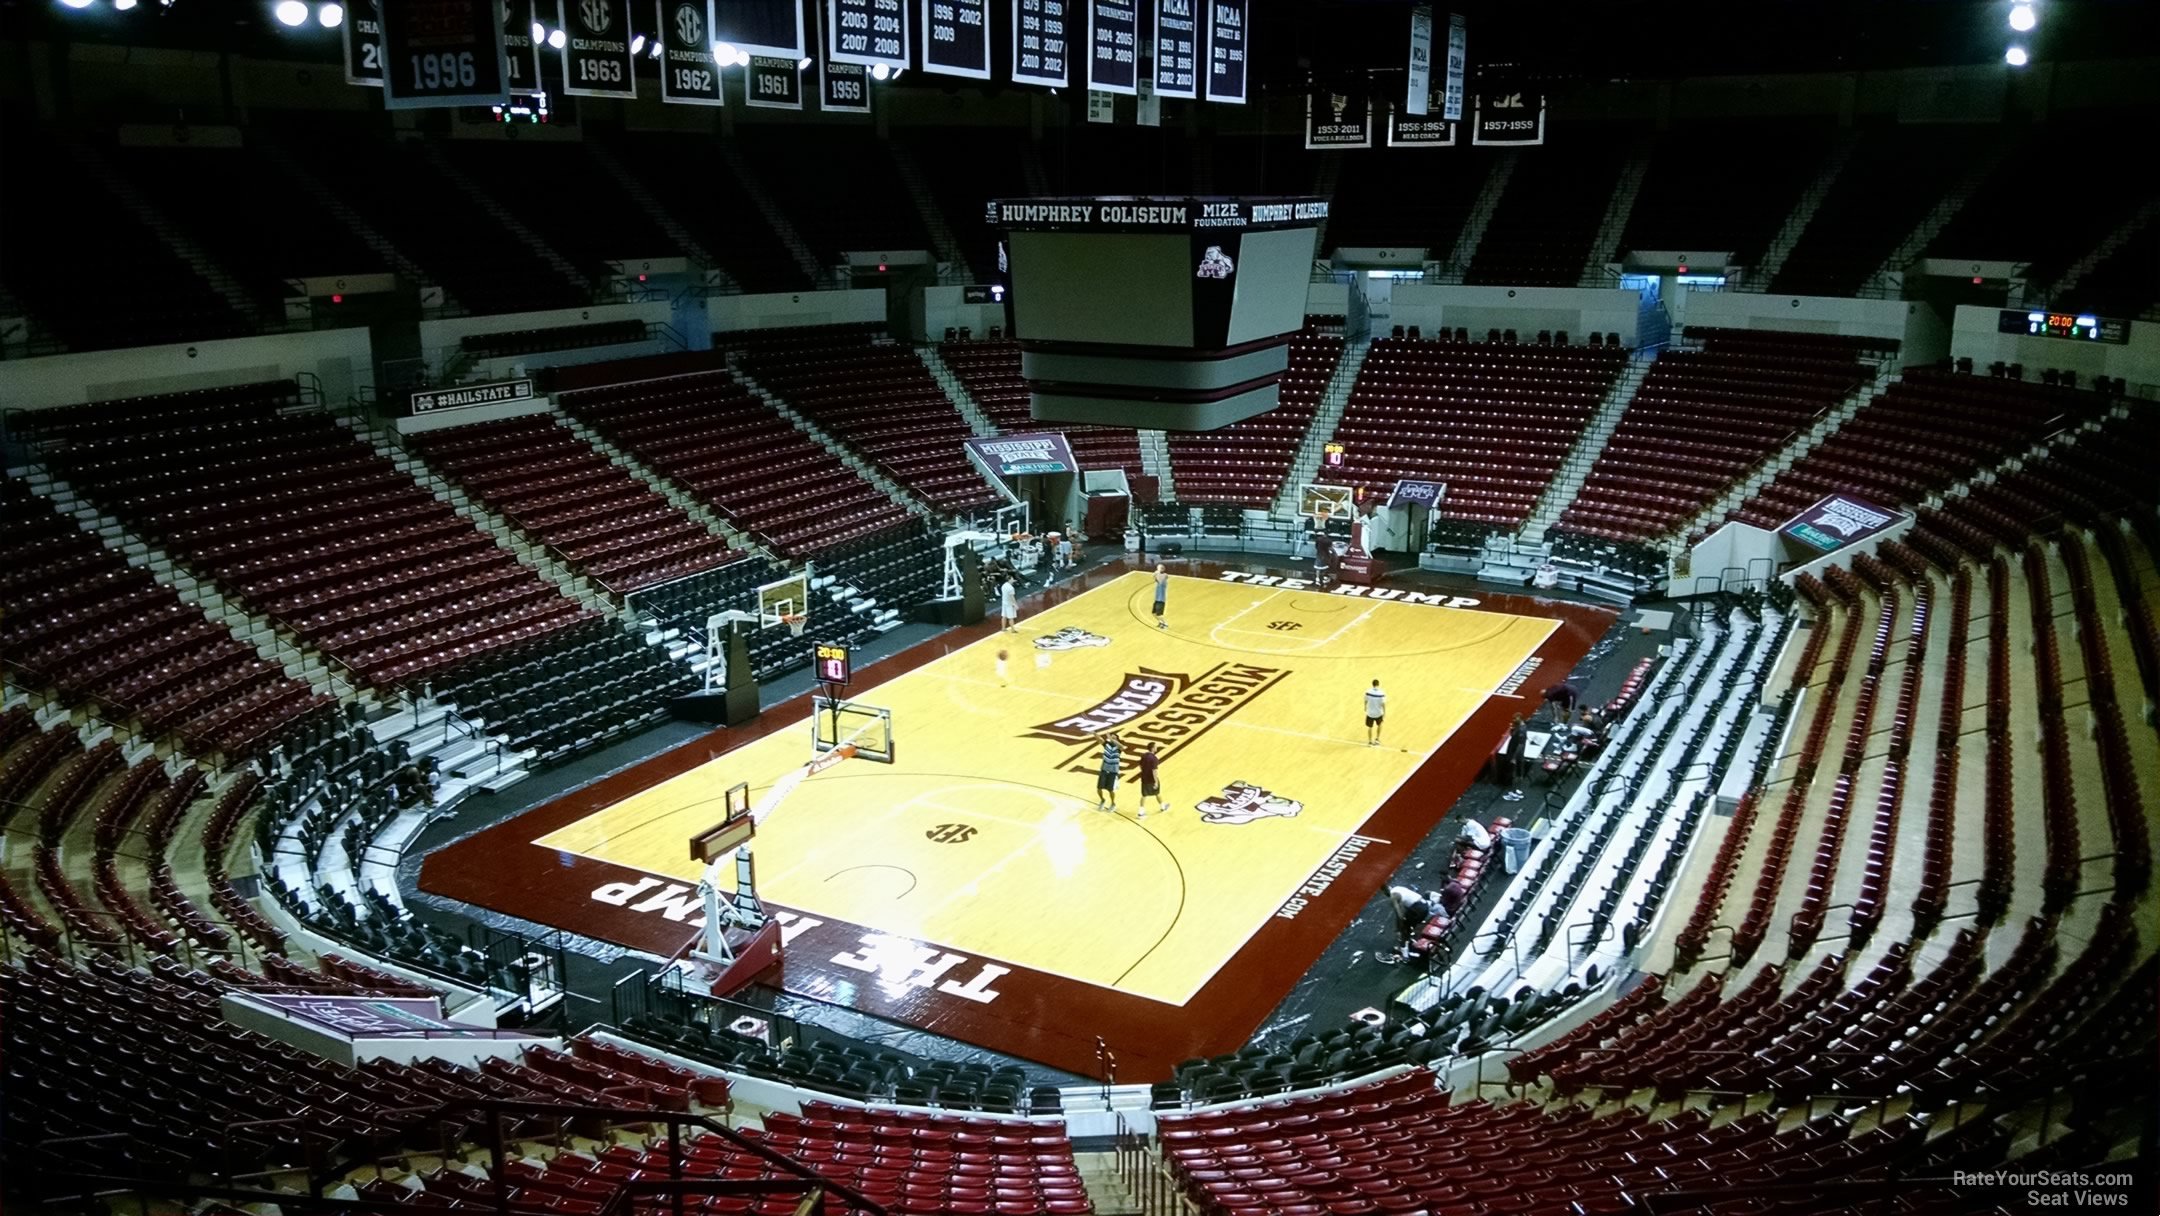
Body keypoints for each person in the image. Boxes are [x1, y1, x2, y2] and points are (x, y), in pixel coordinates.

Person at [1136, 741, 1169, 819]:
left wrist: (1144, 772)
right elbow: (1154, 771)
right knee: (1157, 792)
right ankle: (1162, 807)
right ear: (1153, 748)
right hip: (1151, 779)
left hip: (1144, 778)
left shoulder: (1144, 755)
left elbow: (1140, 766)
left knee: (1144, 795)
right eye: (1155, 747)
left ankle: (1141, 811)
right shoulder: (1154, 758)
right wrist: (1156, 782)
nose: (1156, 748)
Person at [1503, 714, 1529, 802]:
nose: (1513, 719)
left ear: (1520, 718)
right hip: (1518, 754)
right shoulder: (1521, 727)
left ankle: (1514, 793)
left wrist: (1514, 757)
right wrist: (1512, 729)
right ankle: (1517, 791)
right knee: (1519, 773)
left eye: (1515, 718)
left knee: (1515, 774)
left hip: (1516, 754)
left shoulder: (1521, 729)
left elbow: (1520, 745)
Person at [1095, 733, 1123, 812]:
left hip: (1113, 772)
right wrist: (1094, 733)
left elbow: (1122, 747)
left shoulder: (1118, 747)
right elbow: (1100, 740)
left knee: (1110, 790)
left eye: (1114, 738)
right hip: (1104, 770)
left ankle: (1113, 804)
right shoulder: (1107, 745)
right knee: (1099, 788)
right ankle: (1102, 800)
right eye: (1111, 737)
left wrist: (1112, 739)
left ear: (1117, 739)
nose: (1112, 739)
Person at [1365, 679, 1387, 746]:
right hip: (1378, 713)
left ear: (1372, 684)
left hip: (1370, 713)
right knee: (1380, 725)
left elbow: (1366, 701)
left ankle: (1370, 741)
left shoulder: (1368, 692)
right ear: (1378, 684)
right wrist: (1384, 712)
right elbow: (1383, 704)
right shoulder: (1382, 693)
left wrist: (1365, 707)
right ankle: (1377, 739)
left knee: (1370, 727)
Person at [1152, 564, 1170, 630]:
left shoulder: (1163, 580)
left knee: (1159, 614)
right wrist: (1156, 572)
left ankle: (1165, 623)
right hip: (1157, 599)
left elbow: (1165, 576)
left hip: (1161, 600)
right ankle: (1160, 622)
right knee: (1153, 613)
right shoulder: (1158, 580)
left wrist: (1158, 571)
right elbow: (1153, 576)